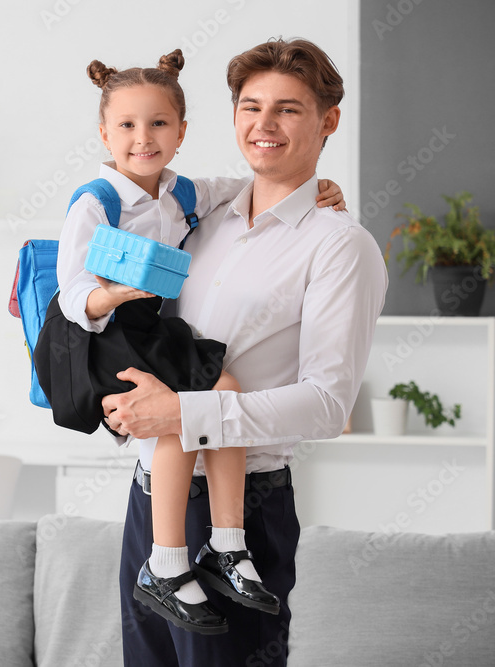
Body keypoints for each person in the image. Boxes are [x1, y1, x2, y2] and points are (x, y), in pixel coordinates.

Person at [32, 50, 346, 636]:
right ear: (103, 133)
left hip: (154, 333)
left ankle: (228, 544)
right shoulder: (96, 202)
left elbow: (248, 185)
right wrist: (114, 295)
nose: (142, 138)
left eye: (157, 124)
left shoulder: (186, 194)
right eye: (126, 126)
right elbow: (72, 293)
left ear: (181, 132)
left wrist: (318, 187)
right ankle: (169, 561)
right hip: (105, 332)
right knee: (191, 408)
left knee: (218, 393)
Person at [102, 38, 388, 666]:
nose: (264, 125)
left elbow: (325, 404)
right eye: (250, 106)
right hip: (152, 500)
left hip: (246, 518)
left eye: (287, 109)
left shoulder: (341, 247)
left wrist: (184, 415)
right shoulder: (197, 216)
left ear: (328, 121)